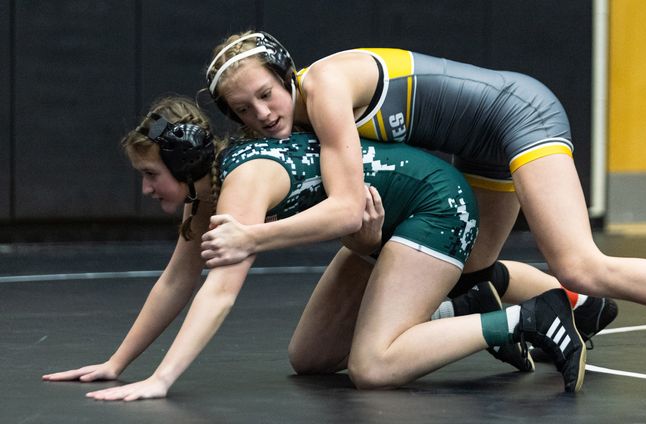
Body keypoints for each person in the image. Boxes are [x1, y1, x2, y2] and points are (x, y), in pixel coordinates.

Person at [202, 31, 646, 395]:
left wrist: (251, 235)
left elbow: (345, 207)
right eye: (243, 110)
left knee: (579, 260)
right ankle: (581, 309)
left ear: (289, 75)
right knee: (472, 263)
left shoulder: (325, 89)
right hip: (479, 143)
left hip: (517, 113)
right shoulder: (299, 117)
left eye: (266, 94)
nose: (261, 114)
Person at [41, 96, 588, 401]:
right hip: (378, 223)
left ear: (183, 167)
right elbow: (177, 281)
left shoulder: (244, 183)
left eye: (150, 174)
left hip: (433, 206)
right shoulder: (202, 196)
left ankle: (528, 318)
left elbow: (220, 291)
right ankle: (466, 303)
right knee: (312, 359)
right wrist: (118, 363)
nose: (144, 188)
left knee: (373, 367)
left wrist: (161, 380)